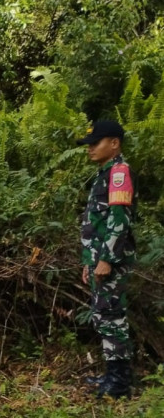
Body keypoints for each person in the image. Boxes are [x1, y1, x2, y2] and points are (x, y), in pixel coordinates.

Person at [77, 120, 137, 399]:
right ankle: (113, 375)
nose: (90, 148)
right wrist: (90, 262)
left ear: (114, 143)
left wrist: (107, 260)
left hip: (111, 260)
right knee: (104, 317)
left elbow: (118, 220)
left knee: (112, 317)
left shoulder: (118, 173)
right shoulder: (104, 173)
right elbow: (96, 224)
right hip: (100, 259)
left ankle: (120, 382)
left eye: (96, 143)